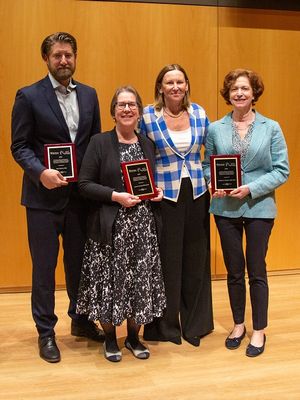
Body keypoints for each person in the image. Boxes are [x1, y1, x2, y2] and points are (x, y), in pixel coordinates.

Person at [11, 32, 104, 363]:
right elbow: (19, 146)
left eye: (69, 55)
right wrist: (40, 173)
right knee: (44, 269)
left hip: (80, 199)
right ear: (46, 59)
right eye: (57, 56)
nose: (63, 60)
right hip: (42, 200)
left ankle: (80, 320)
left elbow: (96, 146)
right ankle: (46, 332)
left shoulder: (90, 96)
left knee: (80, 266)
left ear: (76, 57)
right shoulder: (29, 96)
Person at [203, 69, 289, 357]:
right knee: (234, 270)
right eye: (234, 89)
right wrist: (211, 181)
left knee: (257, 269)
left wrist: (250, 188)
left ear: (254, 93)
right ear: (227, 95)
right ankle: (239, 324)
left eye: (244, 88)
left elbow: (282, 170)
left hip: (259, 208)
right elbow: (207, 165)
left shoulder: (271, 127)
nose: (239, 93)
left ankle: (259, 329)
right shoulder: (215, 128)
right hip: (225, 209)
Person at [76, 86, 166, 363]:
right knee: (110, 285)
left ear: (139, 112)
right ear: (113, 112)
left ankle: (134, 337)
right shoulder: (99, 143)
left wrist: (155, 192)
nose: (126, 109)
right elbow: (84, 184)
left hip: (141, 228)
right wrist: (115, 196)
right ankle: (110, 339)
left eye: (132, 105)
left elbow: (146, 182)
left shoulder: (147, 143)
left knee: (138, 283)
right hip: (110, 228)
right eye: (121, 105)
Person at [140, 64, 214, 347]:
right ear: (160, 87)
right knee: (167, 262)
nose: (174, 87)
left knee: (196, 260)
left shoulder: (199, 113)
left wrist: (212, 179)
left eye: (179, 82)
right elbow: (139, 153)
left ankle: (195, 324)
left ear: (186, 86)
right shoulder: (148, 115)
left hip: (196, 192)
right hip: (164, 195)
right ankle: (166, 327)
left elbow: (211, 153)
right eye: (169, 82)